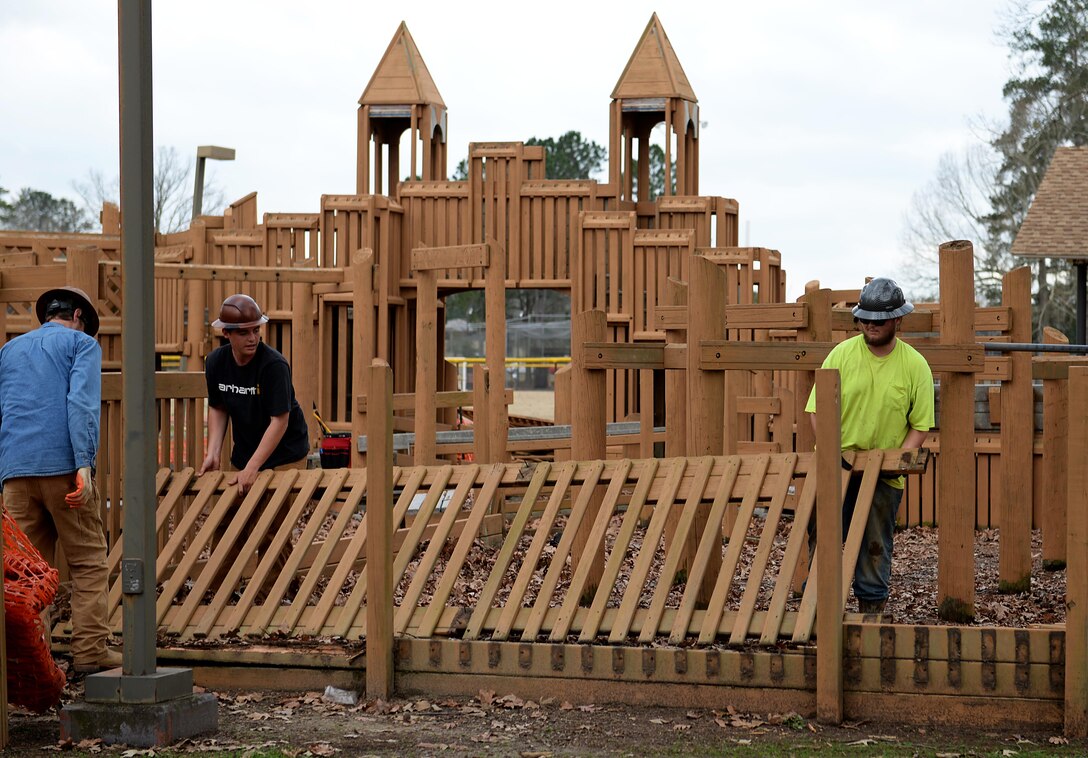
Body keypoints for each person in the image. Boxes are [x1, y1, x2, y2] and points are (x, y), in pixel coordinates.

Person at [0, 286, 120, 674]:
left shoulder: (9, 352)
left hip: (15, 474)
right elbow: (81, 403)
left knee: (26, 573)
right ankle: (90, 653)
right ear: (79, 318)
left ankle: (32, 662)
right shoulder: (81, 345)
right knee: (87, 562)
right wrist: (84, 463)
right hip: (64, 471)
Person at [804, 277, 934, 614]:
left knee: (875, 543)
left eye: (879, 320)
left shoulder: (915, 365)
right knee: (823, 536)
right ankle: (819, 608)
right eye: (865, 319)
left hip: (885, 471)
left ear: (897, 320)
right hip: (837, 463)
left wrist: (892, 461)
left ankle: (871, 610)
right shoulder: (841, 355)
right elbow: (817, 411)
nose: (871, 326)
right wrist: (833, 453)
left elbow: (920, 426)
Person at [197, 294, 310, 594]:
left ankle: (272, 595)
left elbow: (280, 421)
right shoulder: (216, 362)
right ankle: (217, 590)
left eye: (256, 329)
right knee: (228, 516)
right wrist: (213, 452)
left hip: (285, 450)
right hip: (246, 449)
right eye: (244, 332)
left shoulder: (274, 365)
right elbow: (219, 407)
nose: (253, 337)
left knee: (270, 522)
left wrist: (253, 467)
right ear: (227, 334)